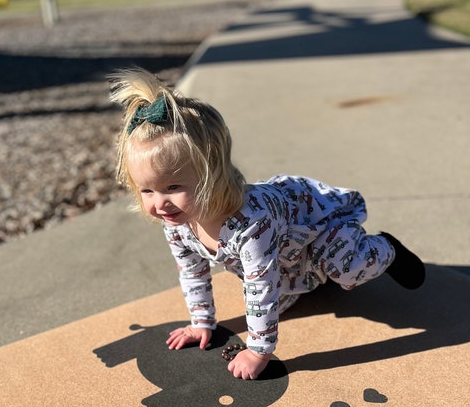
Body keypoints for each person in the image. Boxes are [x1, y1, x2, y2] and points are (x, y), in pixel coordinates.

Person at [110, 68, 425, 380]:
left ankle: (385, 248)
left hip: (322, 227)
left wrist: (259, 349)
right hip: (289, 254)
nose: (159, 203)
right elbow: (193, 272)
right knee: (281, 299)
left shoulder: (251, 224)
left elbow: (260, 287)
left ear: (212, 172)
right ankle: (316, 276)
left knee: (348, 267)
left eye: (173, 188)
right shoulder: (176, 222)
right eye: (146, 190)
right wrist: (201, 322)